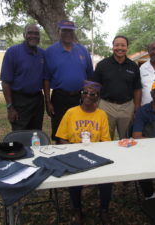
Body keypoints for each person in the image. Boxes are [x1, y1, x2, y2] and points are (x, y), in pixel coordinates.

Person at [55, 80, 112, 225]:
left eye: (92, 94)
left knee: (107, 179)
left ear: (97, 98)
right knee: (75, 180)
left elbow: (106, 141)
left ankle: (104, 210)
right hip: (75, 152)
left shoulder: (101, 115)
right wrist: (73, 152)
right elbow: (62, 138)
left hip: (95, 154)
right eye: (85, 92)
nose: (88, 95)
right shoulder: (71, 112)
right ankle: (77, 209)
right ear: (81, 94)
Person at [44, 20, 93, 141]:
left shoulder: (83, 50)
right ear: (59, 31)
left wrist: (91, 98)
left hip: (80, 97)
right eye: (64, 30)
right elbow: (46, 78)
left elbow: (90, 76)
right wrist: (48, 101)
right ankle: (61, 156)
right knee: (60, 133)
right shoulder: (50, 52)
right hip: (59, 97)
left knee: (80, 130)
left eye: (70, 31)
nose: (68, 33)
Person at [93, 35, 142, 140]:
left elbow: (137, 89)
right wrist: (95, 103)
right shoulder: (102, 65)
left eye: (123, 45)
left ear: (127, 47)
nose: (120, 48)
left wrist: (137, 107)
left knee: (126, 139)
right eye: (117, 45)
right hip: (106, 106)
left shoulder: (133, 66)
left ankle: (125, 156)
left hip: (127, 107)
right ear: (112, 47)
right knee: (105, 138)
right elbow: (95, 87)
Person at [0, 24, 45, 130]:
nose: (33, 36)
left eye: (36, 33)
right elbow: (5, 82)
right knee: (19, 136)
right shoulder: (12, 52)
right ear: (24, 35)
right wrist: (10, 107)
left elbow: (45, 79)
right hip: (19, 101)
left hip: (37, 100)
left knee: (36, 134)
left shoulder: (42, 54)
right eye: (30, 33)